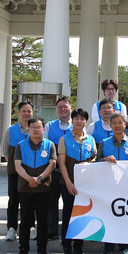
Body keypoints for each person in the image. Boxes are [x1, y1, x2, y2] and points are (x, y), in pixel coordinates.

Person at [13, 116, 56, 254]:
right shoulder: (21, 145)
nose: (36, 130)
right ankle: (23, 250)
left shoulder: (49, 144)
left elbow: (52, 164)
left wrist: (39, 179)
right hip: (25, 187)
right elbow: (17, 165)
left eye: (39, 127)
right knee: (25, 220)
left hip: (43, 188)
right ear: (28, 129)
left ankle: (42, 250)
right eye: (33, 127)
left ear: (43, 129)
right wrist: (29, 179)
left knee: (42, 220)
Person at [97, 112, 128, 254]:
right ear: (110, 125)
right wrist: (105, 159)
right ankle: (108, 250)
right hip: (109, 187)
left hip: (127, 188)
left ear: (125, 124)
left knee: (125, 218)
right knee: (108, 218)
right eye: (114, 123)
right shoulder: (104, 143)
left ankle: (124, 248)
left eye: (120, 122)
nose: (117, 125)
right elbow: (96, 163)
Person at [57, 108, 96, 254]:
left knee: (82, 216)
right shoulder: (64, 139)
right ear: (72, 120)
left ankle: (78, 249)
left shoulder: (90, 139)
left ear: (86, 121)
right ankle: (67, 248)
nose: (79, 121)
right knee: (68, 216)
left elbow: (94, 158)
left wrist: (89, 163)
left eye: (82, 118)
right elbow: (62, 163)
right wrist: (68, 183)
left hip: (85, 186)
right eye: (76, 118)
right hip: (69, 185)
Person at [1, 101, 33, 242]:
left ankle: (30, 227)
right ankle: (12, 228)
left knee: (30, 201)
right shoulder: (11, 130)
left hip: (32, 171)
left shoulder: (36, 128)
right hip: (14, 172)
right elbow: (6, 151)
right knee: (13, 200)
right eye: (24, 111)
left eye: (29, 111)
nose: (27, 113)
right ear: (18, 112)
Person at [44, 96, 72, 241]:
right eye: (60, 107)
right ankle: (52, 230)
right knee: (51, 201)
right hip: (54, 170)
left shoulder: (78, 125)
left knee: (69, 202)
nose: (62, 109)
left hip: (71, 172)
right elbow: (46, 147)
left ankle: (69, 231)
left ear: (70, 108)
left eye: (65, 106)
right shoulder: (49, 126)